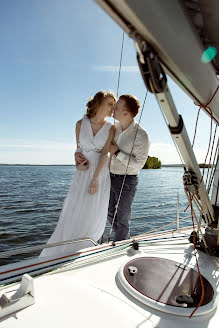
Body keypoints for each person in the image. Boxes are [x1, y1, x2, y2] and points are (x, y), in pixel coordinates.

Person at [40, 91, 116, 258]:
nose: (113, 108)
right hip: (82, 172)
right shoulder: (80, 124)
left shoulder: (111, 127)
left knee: (93, 210)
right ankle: (64, 249)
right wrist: (77, 159)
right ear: (99, 103)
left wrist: (95, 179)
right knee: (74, 208)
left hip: (100, 174)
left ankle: (86, 249)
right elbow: (78, 149)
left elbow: (105, 154)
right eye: (110, 104)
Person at [108, 94, 150, 242]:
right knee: (110, 212)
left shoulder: (142, 135)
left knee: (123, 217)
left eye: (116, 107)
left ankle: (120, 245)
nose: (113, 109)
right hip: (109, 177)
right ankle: (125, 239)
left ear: (125, 113)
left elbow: (139, 164)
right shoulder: (115, 127)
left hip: (127, 181)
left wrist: (117, 153)